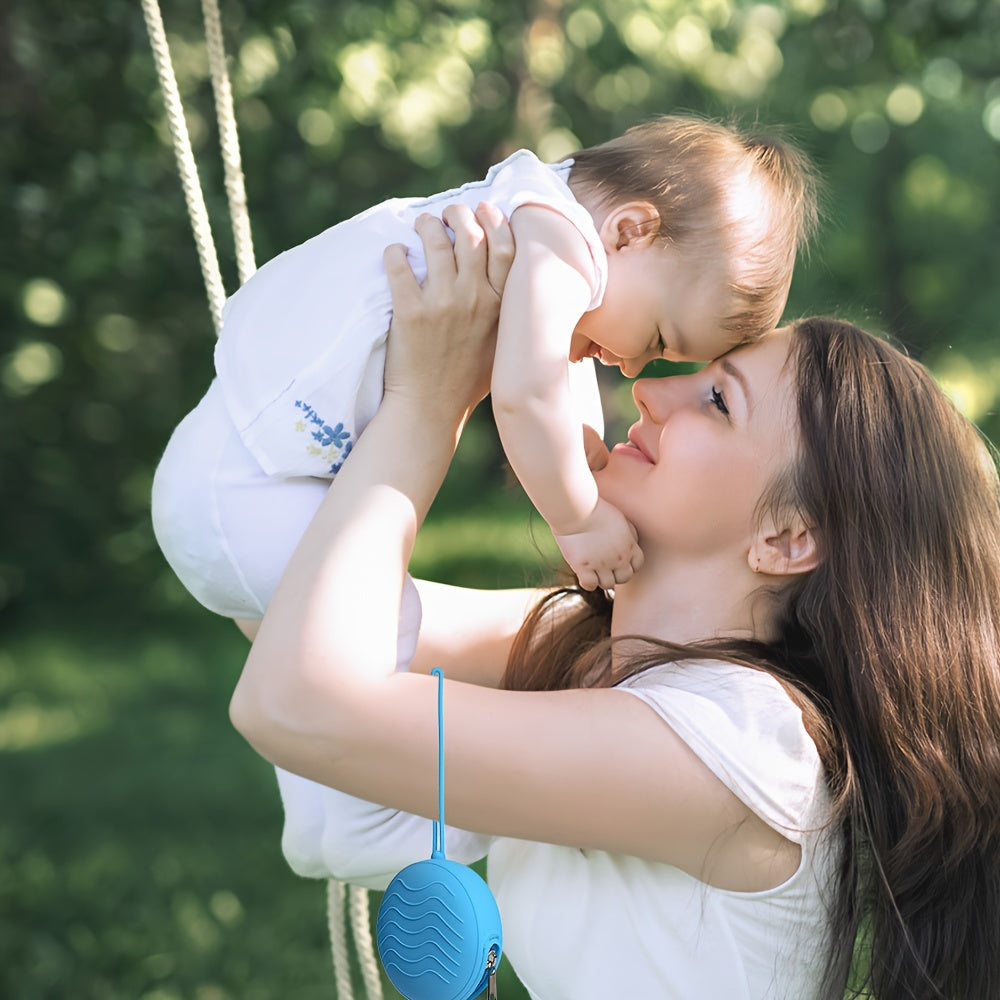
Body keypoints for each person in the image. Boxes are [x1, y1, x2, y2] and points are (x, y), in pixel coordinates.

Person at [229, 208, 1000, 1000]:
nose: (651, 392)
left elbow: (293, 701)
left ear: (787, 539)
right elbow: (277, 606)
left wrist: (427, 405)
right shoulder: (600, 649)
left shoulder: (742, 749)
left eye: (719, 402)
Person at [151, 114, 819, 619]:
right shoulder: (559, 247)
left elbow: (551, 380)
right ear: (630, 231)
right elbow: (525, 397)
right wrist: (578, 517)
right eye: (656, 335)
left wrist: (577, 445)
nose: (636, 364)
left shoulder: (538, 215)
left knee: (355, 647)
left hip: (237, 468)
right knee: (371, 638)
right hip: (241, 496)